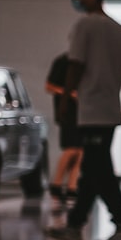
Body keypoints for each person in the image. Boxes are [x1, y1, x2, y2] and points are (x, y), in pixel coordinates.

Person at [46, 0, 121, 240]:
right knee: (91, 169)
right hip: (109, 110)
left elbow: (75, 65)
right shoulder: (119, 29)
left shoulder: (85, 26)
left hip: (91, 110)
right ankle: (75, 227)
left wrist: (64, 103)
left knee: (99, 171)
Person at [45, 53, 82, 213]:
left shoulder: (83, 62)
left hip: (81, 113)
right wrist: (69, 93)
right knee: (71, 149)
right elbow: (49, 86)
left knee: (81, 151)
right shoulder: (62, 61)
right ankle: (57, 184)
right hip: (67, 112)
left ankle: (71, 186)